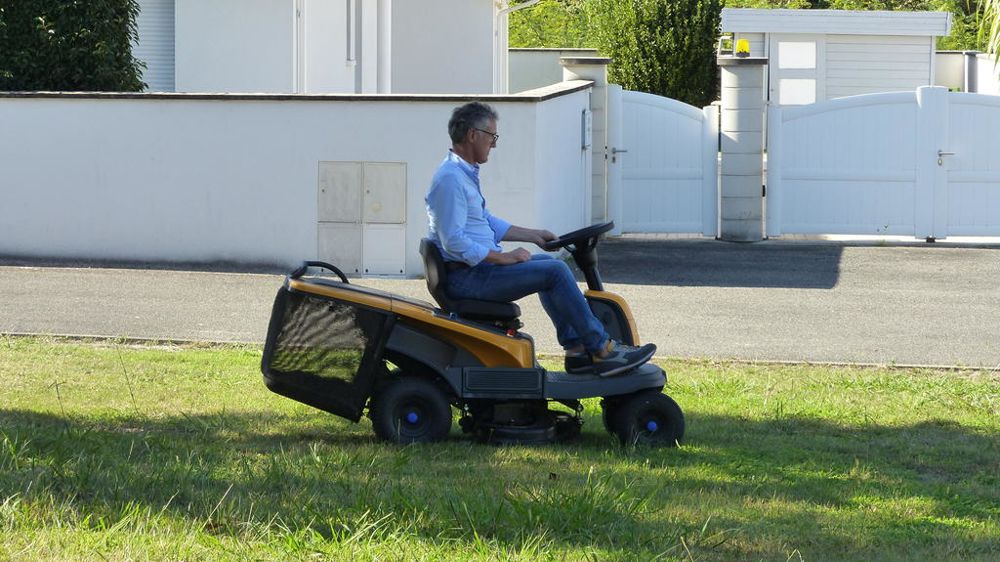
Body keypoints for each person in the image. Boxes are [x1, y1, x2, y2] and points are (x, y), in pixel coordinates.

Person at [424, 101, 656, 377]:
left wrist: (533, 235)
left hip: (475, 273)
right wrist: (505, 257)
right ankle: (602, 349)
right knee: (554, 270)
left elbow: (485, 222)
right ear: (473, 135)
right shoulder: (450, 179)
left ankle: (577, 352)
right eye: (492, 137)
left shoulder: (462, 174)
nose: (494, 145)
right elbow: (454, 241)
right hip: (468, 279)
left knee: (547, 264)